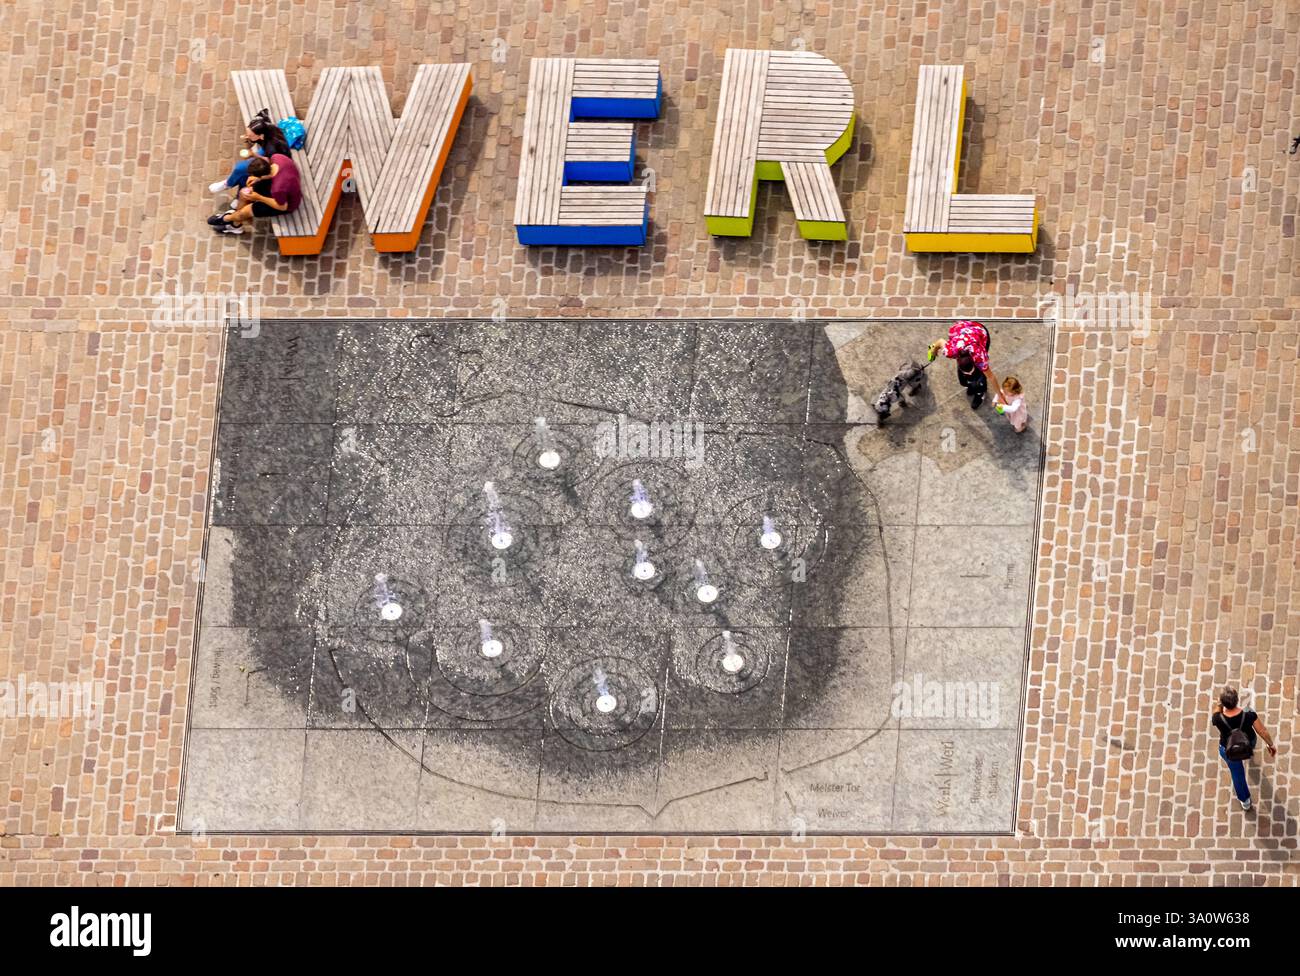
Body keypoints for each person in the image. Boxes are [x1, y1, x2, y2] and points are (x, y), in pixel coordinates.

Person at [1211, 686, 1277, 811]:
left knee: (1237, 774)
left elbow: (1216, 711)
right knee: (1246, 753)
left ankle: (1245, 801)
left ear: (1223, 703)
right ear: (1236, 700)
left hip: (1228, 749)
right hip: (1248, 743)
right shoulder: (1248, 714)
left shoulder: (1217, 718)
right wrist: (1270, 744)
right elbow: (1262, 731)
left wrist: (1220, 702)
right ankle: (1246, 754)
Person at [208, 153, 302, 234]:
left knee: (246, 211)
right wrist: (258, 178)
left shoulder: (278, 189)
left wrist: (259, 197)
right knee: (245, 192)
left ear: (263, 175)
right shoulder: (277, 158)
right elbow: (271, 172)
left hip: (287, 203)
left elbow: (282, 206)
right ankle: (236, 224)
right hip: (282, 186)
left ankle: (227, 219)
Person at [207, 111, 292, 195]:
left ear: (261, 136)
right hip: (267, 151)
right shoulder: (266, 130)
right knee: (245, 171)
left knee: (240, 168)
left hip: (276, 163)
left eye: (250, 136)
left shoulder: (271, 147)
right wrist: (249, 138)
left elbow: (270, 162)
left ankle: (228, 184)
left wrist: (253, 154)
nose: (248, 137)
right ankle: (239, 190)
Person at [927, 320, 1000, 410]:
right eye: (966, 372)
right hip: (960, 330)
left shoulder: (979, 356)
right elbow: (940, 341)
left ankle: (980, 393)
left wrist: (1000, 395)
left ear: (974, 362)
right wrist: (933, 351)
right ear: (957, 359)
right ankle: (970, 385)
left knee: (979, 376)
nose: (969, 374)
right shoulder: (951, 352)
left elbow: (991, 377)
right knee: (964, 380)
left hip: (979, 331)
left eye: (970, 371)